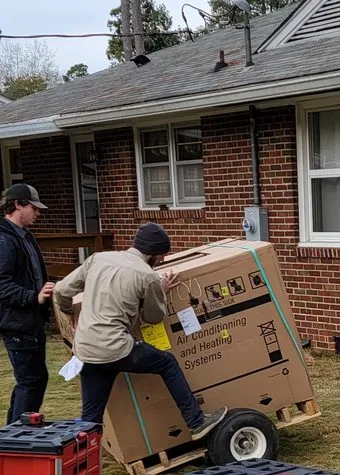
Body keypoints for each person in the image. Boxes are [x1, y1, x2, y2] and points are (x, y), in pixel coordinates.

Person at [53, 222, 226, 438]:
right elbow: (152, 318)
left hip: (86, 349)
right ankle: (196, 421)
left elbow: (60, 290)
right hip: (116, 347)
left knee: (91, 418)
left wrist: (70, 313)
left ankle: (81, 461)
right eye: (162, 255)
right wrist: (160, 292)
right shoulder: (147, 275)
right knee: (167, 363)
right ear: (153, 253)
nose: (162, 260)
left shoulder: (98, 259)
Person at [0, 183, 55, 423]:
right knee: (31, 381)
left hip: (31, 321)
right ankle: (16, 438)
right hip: (17, 324)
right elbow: (2, 285)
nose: (38, 213)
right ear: (18, 205)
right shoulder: (4, 240)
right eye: (34, 208)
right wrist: (34, 296)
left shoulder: (23, 236)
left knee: (33, 380)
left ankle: (13, 434)